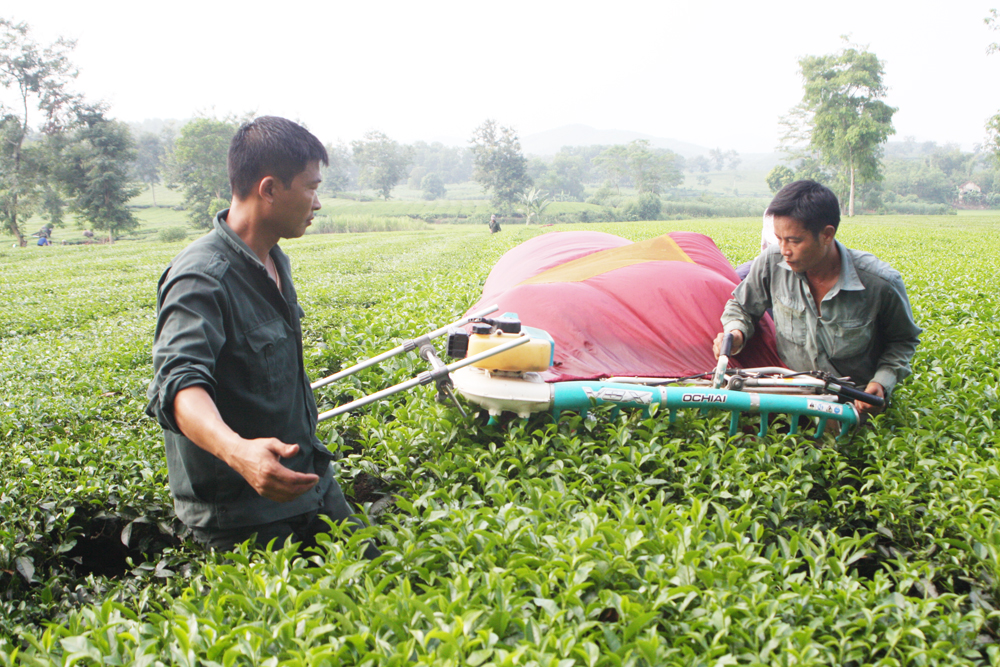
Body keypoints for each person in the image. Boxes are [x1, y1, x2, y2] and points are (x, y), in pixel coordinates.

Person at [146, 116, 379, 558]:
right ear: (269, 189)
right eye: (311, 187)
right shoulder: (200, 277)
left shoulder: (273, 259)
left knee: (381, 587)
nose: (318, 202)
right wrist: (239, 453)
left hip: (308, 484)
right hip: (244, 513)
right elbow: (178, 386)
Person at [713, 180, 921, 416]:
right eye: (779, 238)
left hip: (852, 401)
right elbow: (741, 305)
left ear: (827, 234)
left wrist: (882, 382)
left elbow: (903, 341)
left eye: (794, 240)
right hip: (789, 393)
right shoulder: (772, 263)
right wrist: (736, 332)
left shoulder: (879, 283)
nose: (784, 250)